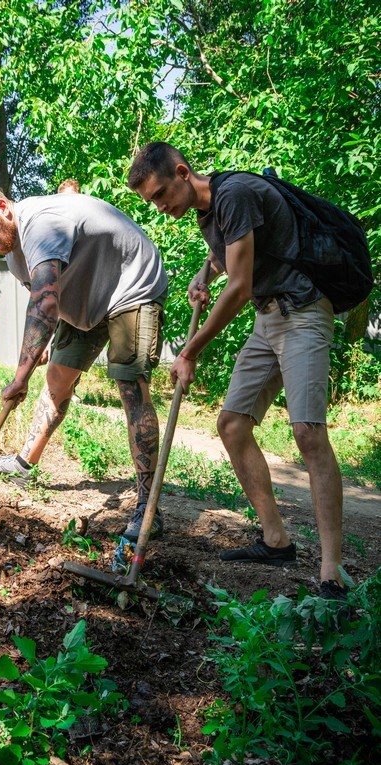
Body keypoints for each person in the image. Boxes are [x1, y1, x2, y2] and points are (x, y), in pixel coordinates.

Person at [128, 142, 347, 600]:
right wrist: (205, 275)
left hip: (303, 311)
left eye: (162, 194)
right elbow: (231, 255)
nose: (161, 206)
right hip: (270, 319)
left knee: (308, 433)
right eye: (152, 201)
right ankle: (275, 541)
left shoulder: (235, 194)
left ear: (184, 173)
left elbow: (242, 284)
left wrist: (189, 351)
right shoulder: (208, 212)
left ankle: (331, 572)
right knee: (231, 424)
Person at [0, 182, 168, 550]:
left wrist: (19, 376)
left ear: (3, 207)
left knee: (130, 386)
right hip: (87, 303)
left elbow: (45, 305)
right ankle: (24, 466)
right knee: (57, 379)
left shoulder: (39, 223)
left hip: (131, 286)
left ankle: (148, 506)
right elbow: (48, 302)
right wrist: (40, 349)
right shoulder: (12, 253)